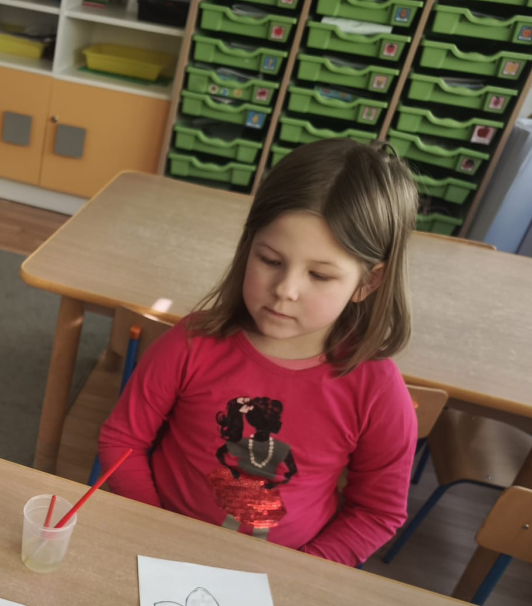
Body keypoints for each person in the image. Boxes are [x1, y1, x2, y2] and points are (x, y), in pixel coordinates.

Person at [98, 139, 418, 567]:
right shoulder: (192, 342)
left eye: (320, 275)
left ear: (368, 283)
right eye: (270, 260)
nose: (286, 290)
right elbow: (123, 440)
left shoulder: (376, 389)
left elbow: (377, 512)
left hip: (281, 575)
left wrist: (300, 572)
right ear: (248, 246)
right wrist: (154, 532)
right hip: (158, 552)